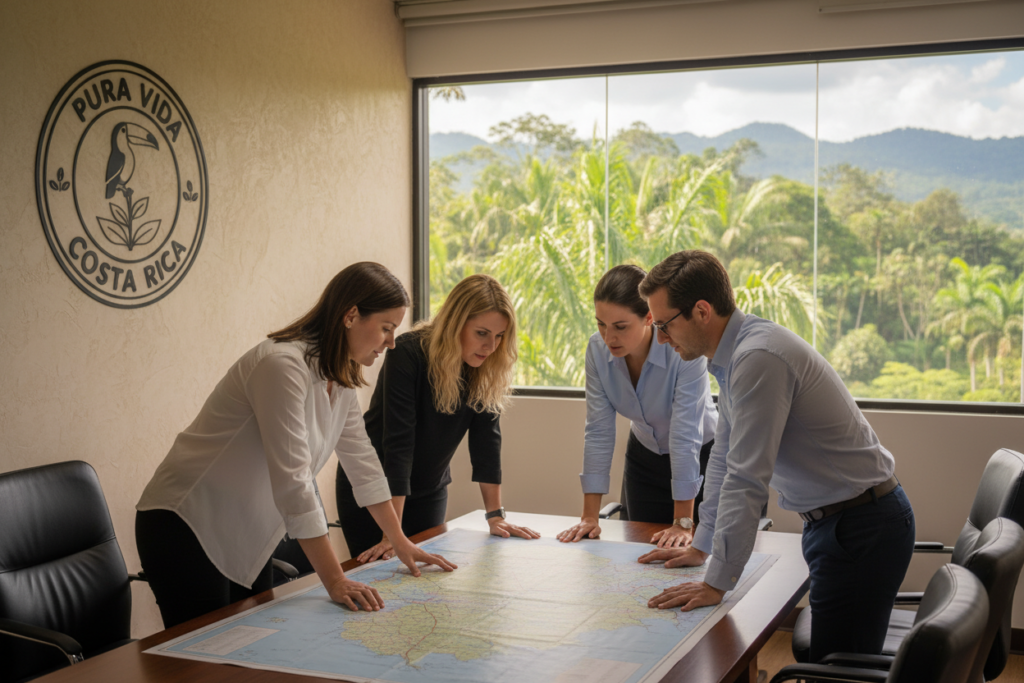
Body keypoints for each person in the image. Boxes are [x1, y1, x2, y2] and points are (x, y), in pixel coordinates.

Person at [136, 262, 455, 628]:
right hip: (186, 520)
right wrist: (335, 580)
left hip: (244, 525)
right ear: (351, 315)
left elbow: (362, 462)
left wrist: (399, 540)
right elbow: (294, 482)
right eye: (386, 328)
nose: (391, 342)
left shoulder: (341, 376)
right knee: (202, 659)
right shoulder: (280, 365)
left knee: (248, 652)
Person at [635, 250, 915, 663]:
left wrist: (716, 582)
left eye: (663, 324)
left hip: (860, 528)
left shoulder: (758, 358)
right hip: (841, 522)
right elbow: (726, 459)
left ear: (701, 311)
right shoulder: (736, 357)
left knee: (835, 669)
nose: (660, 338)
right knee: (830, 664)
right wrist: (702, 544)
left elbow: (748, 479)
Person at [336, 274, 540, 562]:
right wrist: (391, 533)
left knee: (427, 583)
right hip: (376, 490)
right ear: (456, 323)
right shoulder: (407, 352)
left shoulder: (485, 365)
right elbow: (399, 443)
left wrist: (495, 517)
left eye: (499, 336)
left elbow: (487, 442)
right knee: (381, 584)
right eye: (482, 333)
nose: (491, 346)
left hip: (430, 491)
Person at [557, 265, 717, 548]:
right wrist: (589, 518)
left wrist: (682, 523)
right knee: (641, 554)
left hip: (703, 456)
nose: (609, 338)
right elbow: (598, 431)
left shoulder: (682, 349)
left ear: (649, 317)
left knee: (696, 559)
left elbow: (685, 435)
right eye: (600, 324)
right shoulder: (597, 351)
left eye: (620, 327)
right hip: (644, 460)